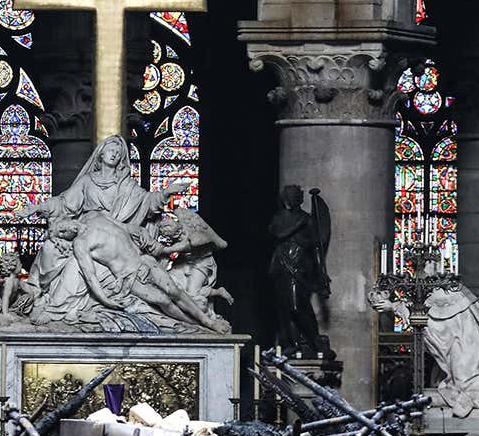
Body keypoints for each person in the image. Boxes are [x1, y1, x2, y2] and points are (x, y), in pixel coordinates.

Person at [369, 282, 479, 426]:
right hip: (461, 348)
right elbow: (426, 323)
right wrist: (396, 306)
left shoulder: (451, 306)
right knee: (458, 386)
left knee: (471, 386)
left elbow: (427, 321)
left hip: (467, 352)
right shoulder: (444, 302)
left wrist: (396, 307)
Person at [69, 212, 230, 333]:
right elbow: (90, 276)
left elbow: (126, 227)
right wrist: (105, 300)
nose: (63, 230)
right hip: (128, 277)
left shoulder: (95, 215)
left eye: (60, 226)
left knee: (174, 291)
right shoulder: (80, 243)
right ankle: (194, 324)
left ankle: (208, 322)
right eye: (60, 232)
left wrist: (143, 233)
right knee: (163, 300)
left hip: (144, 260)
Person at [22, 135, 188, 228]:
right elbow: (65, 203)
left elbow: (146, 203)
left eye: (118, 152)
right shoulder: (87, 181)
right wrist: (38, 207)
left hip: (117, 230)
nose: (114, 154)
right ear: (101, 153)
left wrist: (166, 192)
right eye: (111, 150)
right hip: (90, 227)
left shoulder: (126, 185)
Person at [269, 184, 332, 358]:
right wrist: (299, 224)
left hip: (300, 267)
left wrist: (321, 272)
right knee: (284, 309)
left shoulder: (308, 219)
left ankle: (314, 342)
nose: (292, 198)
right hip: (281, 265)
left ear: (300, 198)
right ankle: (292, 344)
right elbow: (278, 234)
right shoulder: (281, 218)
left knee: (297, 306)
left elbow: (316, 247)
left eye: (296, 195)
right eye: (290, 195)